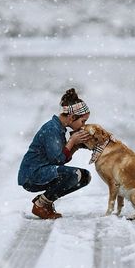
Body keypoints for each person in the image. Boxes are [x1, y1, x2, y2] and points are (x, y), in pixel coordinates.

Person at [18, 88, 91, 219]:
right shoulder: (52, 129)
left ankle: (45, 202)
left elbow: (61, 159)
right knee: (75, 175)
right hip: (32, 175)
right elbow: (57, 160)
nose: (83, 126)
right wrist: (72, 141)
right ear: (72, 117)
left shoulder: (60, 129)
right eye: (83, 121)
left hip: (44, 172)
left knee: (84, 177)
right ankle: (41, 204)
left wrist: (76, 146)